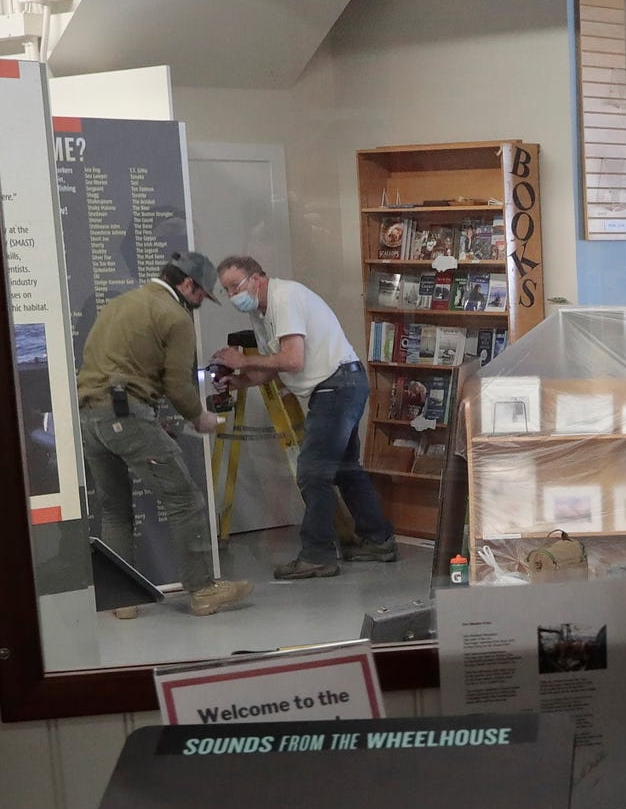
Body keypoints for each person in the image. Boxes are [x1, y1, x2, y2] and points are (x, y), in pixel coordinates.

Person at [73, 251, 252, 616]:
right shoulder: (175, 316)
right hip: (126, 413)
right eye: (202, 294)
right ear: (187, 285)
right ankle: (203, 590)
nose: (202, 302)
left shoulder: (121, 304)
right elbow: (177, 384)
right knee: (185, 500)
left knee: (115, 510)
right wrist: (199, 417)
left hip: (89, 418)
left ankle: (121, 599)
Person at [213, 255, 399, 580]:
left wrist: (243, 362)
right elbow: (272, 370)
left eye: (235, 286)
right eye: (226, 290)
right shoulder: (261, 312)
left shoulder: (285, 298)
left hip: (335, 386)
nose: (232, 296)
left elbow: (292, 360)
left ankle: (317, 555)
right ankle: (378, 539)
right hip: (341, 384)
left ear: (257, 278)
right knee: (345, 470)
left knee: (313, 473)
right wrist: (239, 380)